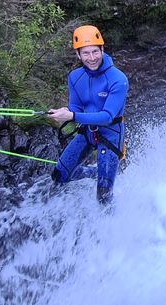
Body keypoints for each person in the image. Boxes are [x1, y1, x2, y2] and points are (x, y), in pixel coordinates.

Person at [47, 25, 129, 205]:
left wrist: (72, 117)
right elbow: (75, 107)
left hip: (110, 134)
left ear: (102, 49)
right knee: (59, 176)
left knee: (103, 197)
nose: (91, 58)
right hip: (87, 132)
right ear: (78, 54)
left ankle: (113, 226)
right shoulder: (75, 77)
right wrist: (64, 112)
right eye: (85, 53)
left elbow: (107, 116)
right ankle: (92, 173)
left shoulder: (118, 79)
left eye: (95, 52)